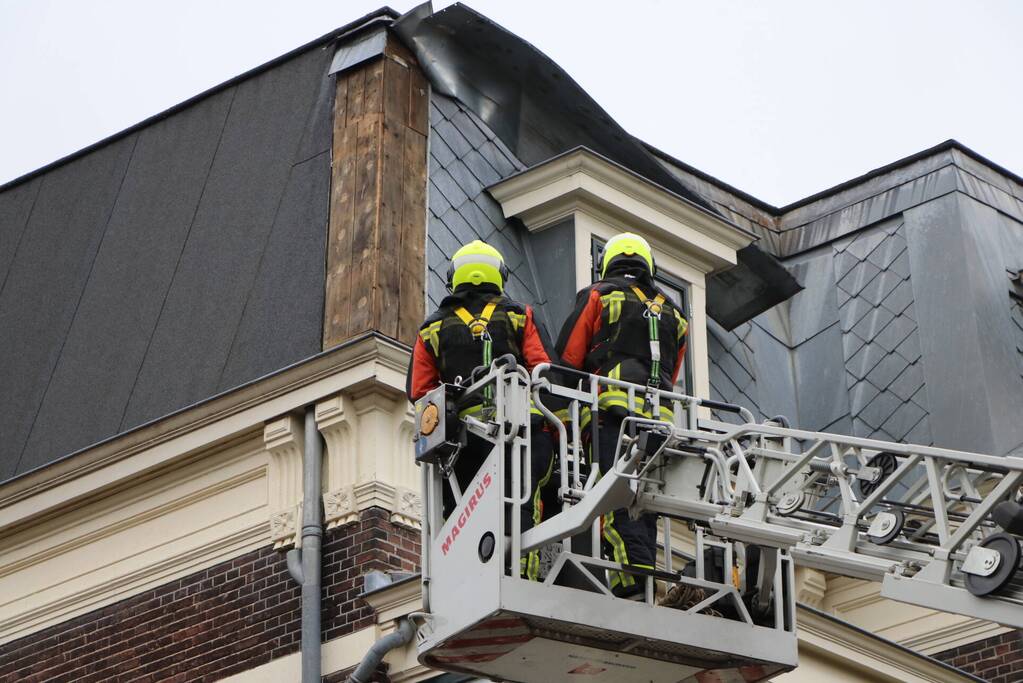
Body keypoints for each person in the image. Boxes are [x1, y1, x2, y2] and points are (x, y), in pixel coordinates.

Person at [406, 239, 557, 580]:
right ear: (499, 277)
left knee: (459, 510)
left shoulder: (432, 328)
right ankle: (521, 575)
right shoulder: (521, 315)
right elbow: (544, 371)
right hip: (523, 432)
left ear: (454, 278)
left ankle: (460, 576)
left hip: (464, 443)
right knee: (522, 499)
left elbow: (420, 392)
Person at [555, 232, 689, 597]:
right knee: (646, 501)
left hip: (609, 416)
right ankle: (642, 576)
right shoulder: (675, 313)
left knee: (614, 498)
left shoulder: (599, 295)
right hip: (659, 422)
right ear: (649, 266)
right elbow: (672, 373)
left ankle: (632, 581)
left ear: (607, 263)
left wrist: (556, 417)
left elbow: (569, 358)